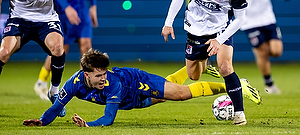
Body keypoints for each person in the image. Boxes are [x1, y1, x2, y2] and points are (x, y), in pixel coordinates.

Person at [23, 48, 260, 127]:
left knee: (180, 94)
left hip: (136, 84)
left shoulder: (112, 84)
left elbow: (108, 119)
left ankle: (235, 85)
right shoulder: (74, 83)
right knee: (168, 91)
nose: (103, 78)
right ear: (86, 75)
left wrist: (88, 125)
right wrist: (42, 121)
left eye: (105, 73)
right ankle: (198, 65)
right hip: (133, 102)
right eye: (98, 75)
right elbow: (57, 106)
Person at [161, 0, 261, 126]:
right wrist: (168, 23)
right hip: (195, 30)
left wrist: (219, 40)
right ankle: (206, 64)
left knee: (225, 67)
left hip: (220, 31)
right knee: (193, 76)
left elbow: (239, 19)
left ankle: (239, 114)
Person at [0, 0, 70, 116]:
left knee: (57, 47)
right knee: (3, 53)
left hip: (46, 20)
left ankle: (54, 91)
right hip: (19, 21)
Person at [34, 0, 98, 100]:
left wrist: (93, 6)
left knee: (86, 46)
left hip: (82, 7)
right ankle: (41, 81)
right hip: (63, 9)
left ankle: (85, 85)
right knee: (61, 49)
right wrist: (67, 7)